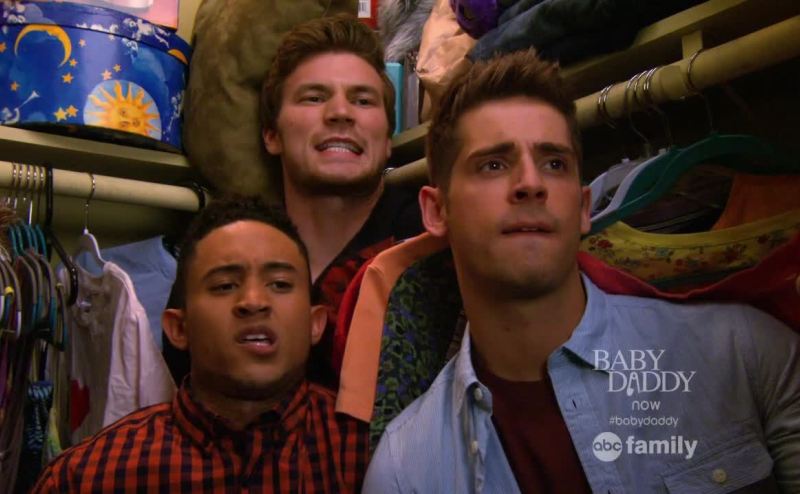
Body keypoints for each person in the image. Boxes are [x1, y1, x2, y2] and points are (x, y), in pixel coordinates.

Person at [363, 50, 800, 493]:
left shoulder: (744, 355)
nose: (531, 183)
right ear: (437, 211)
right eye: (493, 164)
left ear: (584, 208)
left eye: (554, 163)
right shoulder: (405, 470)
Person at [33, 196, 370, 493]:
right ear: (179, 328)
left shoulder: (368, 454)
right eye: (225, 286)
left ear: (315, 324)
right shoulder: (87, 478)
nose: (254, 302)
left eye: (280, 284)